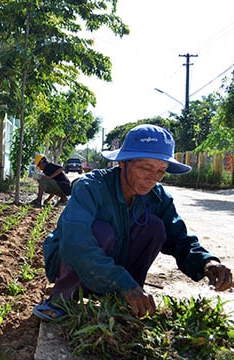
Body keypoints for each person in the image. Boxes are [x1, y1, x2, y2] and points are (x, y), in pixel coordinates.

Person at [32, 124, 232, 321]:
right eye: (145, 168)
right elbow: (75, 243)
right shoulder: (91, 187)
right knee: (102, 232)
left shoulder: (158, 197)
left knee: (155, 227)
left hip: (112, 271)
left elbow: (179, 238)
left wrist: (207, 262)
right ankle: (62, 299)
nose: (152, 178)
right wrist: (121, 281)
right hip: (69, 262)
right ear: (122, 163)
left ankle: (127, 298)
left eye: (161, 171)